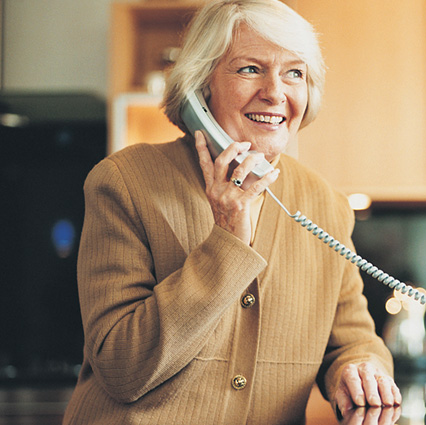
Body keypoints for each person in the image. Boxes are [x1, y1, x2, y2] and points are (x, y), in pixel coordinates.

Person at [63, 1, 401, 423]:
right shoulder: (125, 182)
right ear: (201, 87)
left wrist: (358, 368)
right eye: (249, 69)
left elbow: (352, 341)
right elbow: (121, 368)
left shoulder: (323, 203)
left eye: (294, 73)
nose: (276, 93)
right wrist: (227, 238)